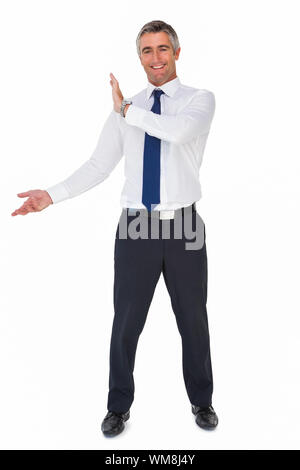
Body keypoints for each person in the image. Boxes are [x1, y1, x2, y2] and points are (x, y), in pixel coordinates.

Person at [11, 20, 218, 437]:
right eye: (146, 50)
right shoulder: (126, 110)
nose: (155, 58)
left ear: (177, 53)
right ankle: (117, 407)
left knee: (193, 319)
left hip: (184, 227)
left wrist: (127, 109)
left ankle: (203, 402)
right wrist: (51, 195)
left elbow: (176, 133)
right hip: (135, 227)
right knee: (126, 321)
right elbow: (98, 166)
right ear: (139, 57)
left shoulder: (198, 100)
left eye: (163, 49)